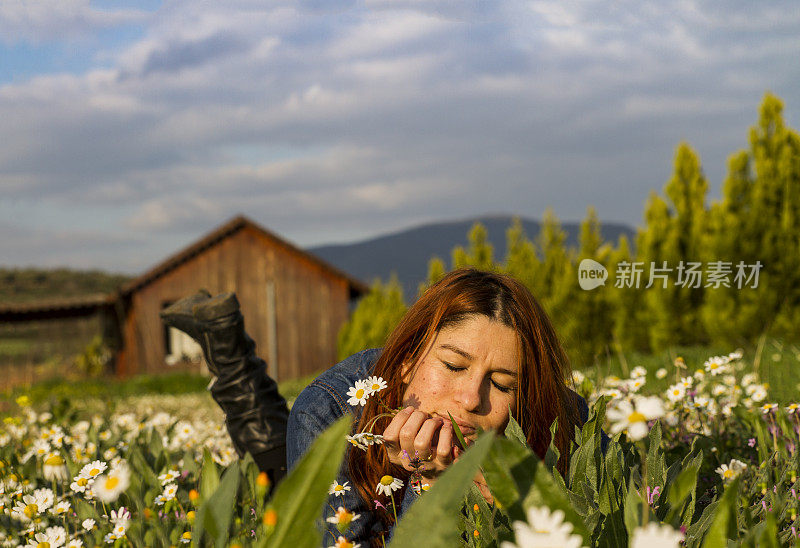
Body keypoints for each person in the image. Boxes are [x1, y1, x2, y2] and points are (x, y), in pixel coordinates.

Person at [162, 268, 607, 547]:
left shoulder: (562, 424)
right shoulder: (332, 411)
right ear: (410, 360)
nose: (472, 399)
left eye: (503, 383)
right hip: (350, 418)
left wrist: (502, 508)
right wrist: (432, 490)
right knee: (277, 478)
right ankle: (226, 345)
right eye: (453, 366)